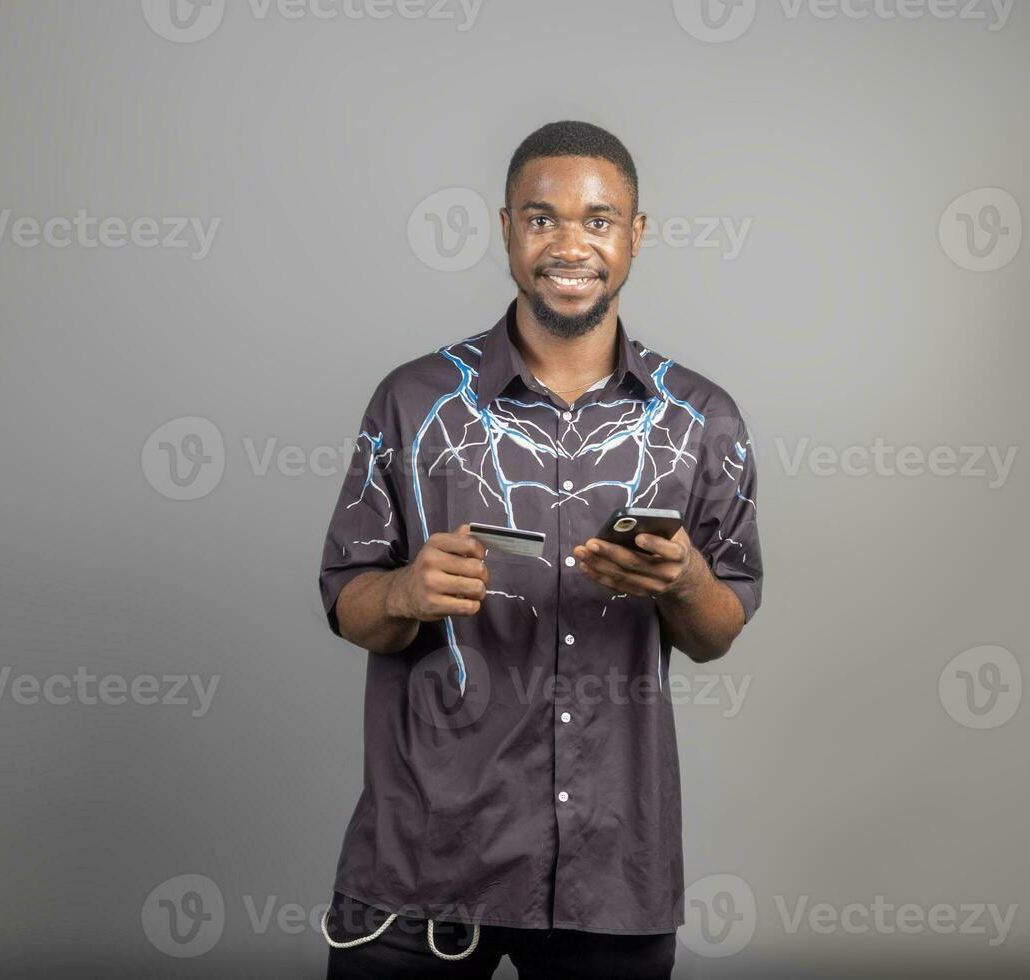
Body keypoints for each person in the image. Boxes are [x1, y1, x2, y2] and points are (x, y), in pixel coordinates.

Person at [316, 120, 763, 979]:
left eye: (598, 220)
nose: (569, 244)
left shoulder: (701, 419)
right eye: (540, 217)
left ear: (635, 236)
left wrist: (685, 581)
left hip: (613, 868)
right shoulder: (413, 402)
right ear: (506, 230)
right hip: (423, 861)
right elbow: (348, 604)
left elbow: (717, 631)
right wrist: (405, 593)